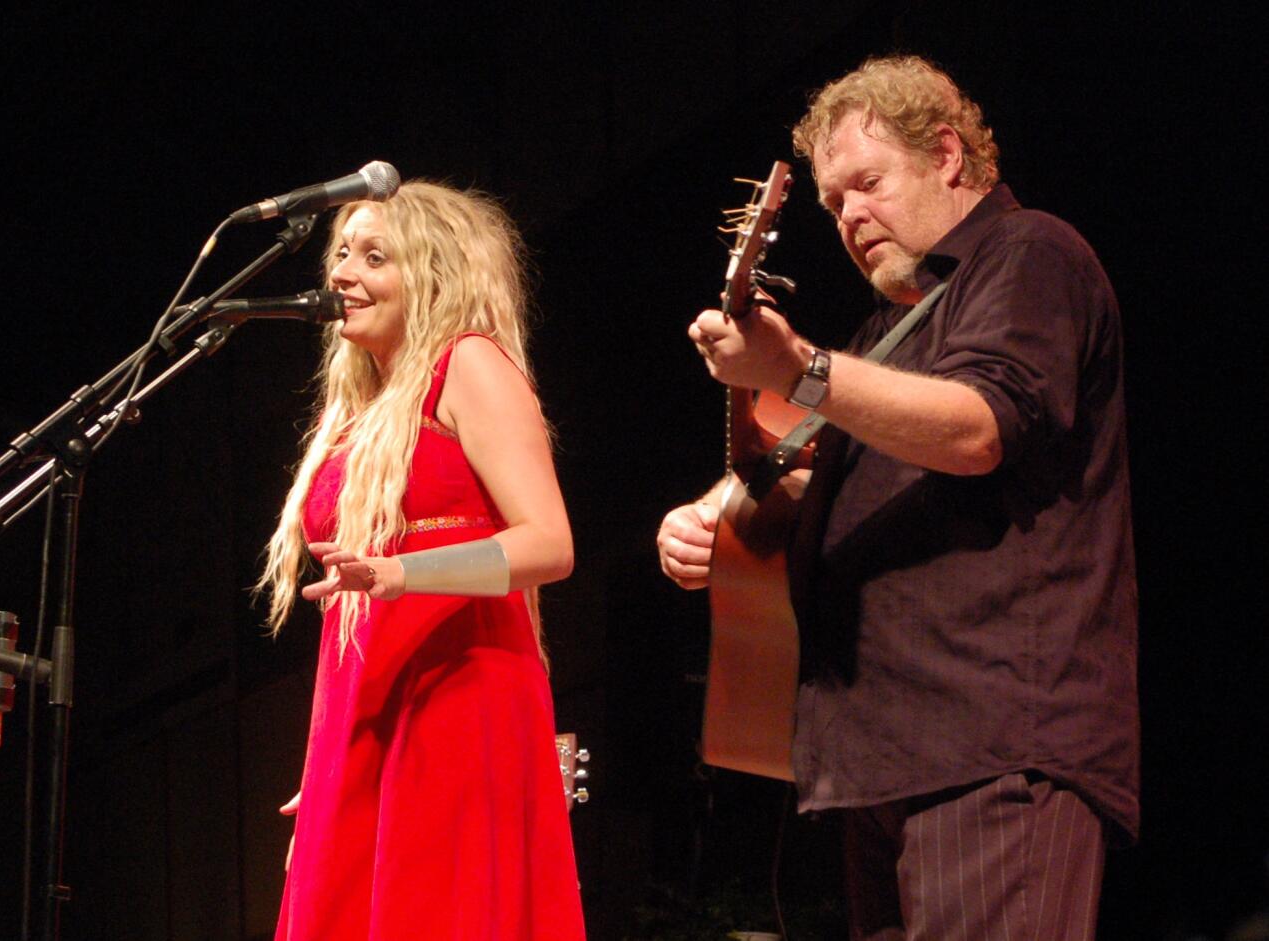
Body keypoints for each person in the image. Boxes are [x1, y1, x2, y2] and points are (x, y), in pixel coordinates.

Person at [657, 55, 1138, 940]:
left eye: (868, 185)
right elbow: (829, 476)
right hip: (883, 755)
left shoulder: (1029, 251)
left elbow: (978, 426)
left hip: (993, 744)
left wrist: (798, 369)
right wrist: (715, 522)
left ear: (947, 155)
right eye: (834, 204)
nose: (850, 218)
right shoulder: (886, 329)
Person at [257, 181, 586, 941]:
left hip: (459, 696)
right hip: (367, 713)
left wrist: (403, 573)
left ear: (435, 274)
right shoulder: (357, 415)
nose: (343, 273)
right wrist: (336, 757)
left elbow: (550, 542)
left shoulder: (469, 365)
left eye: (375, 256)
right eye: (341, 253)